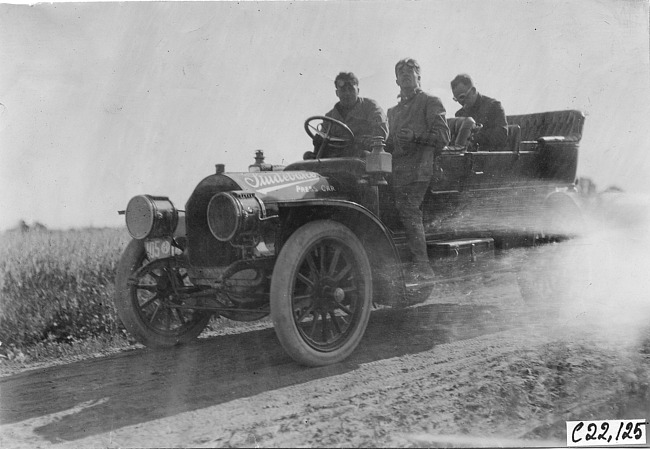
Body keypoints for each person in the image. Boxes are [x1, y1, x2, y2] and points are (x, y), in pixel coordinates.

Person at [386, 58, 450, 282]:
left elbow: (443, 138)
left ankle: (423, 267)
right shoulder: (393, 111)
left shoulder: (430, 102)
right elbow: (390, 144)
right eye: (401, 72)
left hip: (421, 171)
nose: (406, 74)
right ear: (396, 80)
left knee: (408, 208)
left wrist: (416, 138)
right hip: (397, 172)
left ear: (419, 77)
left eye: (411, 71)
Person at [309, 72, 388, 158]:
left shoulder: (370, 107)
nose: (347, 93)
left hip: (362, 157)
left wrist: (364, 141)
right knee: (308, 158)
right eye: (343, 90)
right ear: (337, 93)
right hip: (335, 158)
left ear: (358, 91)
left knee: (364, 155)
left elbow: (380, 133)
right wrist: (319, 140)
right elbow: (323, 138)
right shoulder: (330, 117)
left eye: (351, 89)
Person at [449, 74, 507, 151]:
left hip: (489, 157)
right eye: (456, 99)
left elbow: (501, 136)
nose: (460, 102)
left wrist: (473, 137)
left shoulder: (493, 106)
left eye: (462, 97)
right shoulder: (460, 114)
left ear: (473, 91)